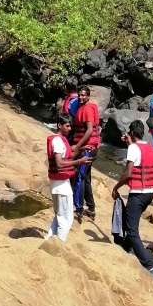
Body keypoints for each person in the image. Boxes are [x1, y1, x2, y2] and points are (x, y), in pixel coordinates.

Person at [112, 119, 153, 276]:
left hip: (138, 193)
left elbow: (128, 173)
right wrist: (129, 143)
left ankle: (149, 266)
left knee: (132, 230)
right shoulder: (150, 147)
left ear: (131, 133)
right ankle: (126, 248)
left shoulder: (133, 148)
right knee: (130, 222)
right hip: (150, 193)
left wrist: (116, 187)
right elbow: (139, 158)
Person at [45, 112, 91, 243]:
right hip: (61, 186)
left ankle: (49, 239)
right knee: (67, 218)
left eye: (70, 126)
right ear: (59, 125)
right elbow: (59, 163)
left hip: (57, 183)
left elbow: (68, 156)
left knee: (59, 215)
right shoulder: (58, 141)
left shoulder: (58, 140)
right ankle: (59, 243)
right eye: (67, 126)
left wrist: (81, 149)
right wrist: (79, 161)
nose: (69, 129)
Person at [70, 84, 100, 222]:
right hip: (92, 148)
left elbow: (89, 130)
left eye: (83, 95)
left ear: (88, 96)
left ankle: (79, 210)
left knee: (79, 178)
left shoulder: (87, 109)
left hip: (87, 149)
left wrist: (77, 147)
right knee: (86, 177)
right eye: (79, 95)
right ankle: (91, 208)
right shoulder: (89, 107)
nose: (81, 97)